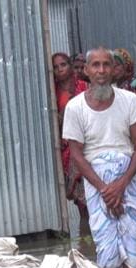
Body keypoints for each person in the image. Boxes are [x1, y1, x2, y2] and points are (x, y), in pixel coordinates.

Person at [62, 47, 136, 268]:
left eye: (106, 65)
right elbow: (77, 155)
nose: (101, 70)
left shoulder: (129, 101)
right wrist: (105, 188)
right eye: (96, 65)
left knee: (132, 247)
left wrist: (121, 185)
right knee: (106, 249)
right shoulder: (75, 107)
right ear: (87, 71)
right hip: (96, 181)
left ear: (113, 70)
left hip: (128, 177)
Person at [52, 52, 89, 218]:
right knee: (79, 198)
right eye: (55, 67)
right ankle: (85, 233)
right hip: (68, 149)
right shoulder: (52, 92)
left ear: (70, 66)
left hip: (87, 144)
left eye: (63, 65)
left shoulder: (84, 87)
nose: (60, 69)